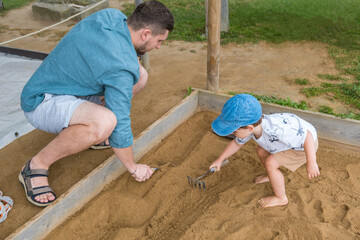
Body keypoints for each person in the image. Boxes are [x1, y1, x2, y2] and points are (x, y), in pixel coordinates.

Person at [19, 1, 174, 207]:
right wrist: (133, 167)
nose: (159, 47)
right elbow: (120, 121)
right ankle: (35, 165)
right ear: (145, 34)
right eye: (159, 40)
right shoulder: (120, 66)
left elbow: (117, 60)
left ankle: (92, 133)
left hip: (73, 87)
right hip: (42, 100)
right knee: (106, 122)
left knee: (140, 76)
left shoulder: (111, 16)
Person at [210, 94, 320, 208]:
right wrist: (220, 160)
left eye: (234, 132)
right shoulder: (253, 128)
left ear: (250, 128)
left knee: (271, 163)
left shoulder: (278, 130)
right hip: (286, 143)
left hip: (303, 147)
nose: (232, 134)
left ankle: (281, 198)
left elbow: (307, 136)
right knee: (261, 151)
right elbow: (236, 143)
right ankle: (271, 176)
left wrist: (311, 162)